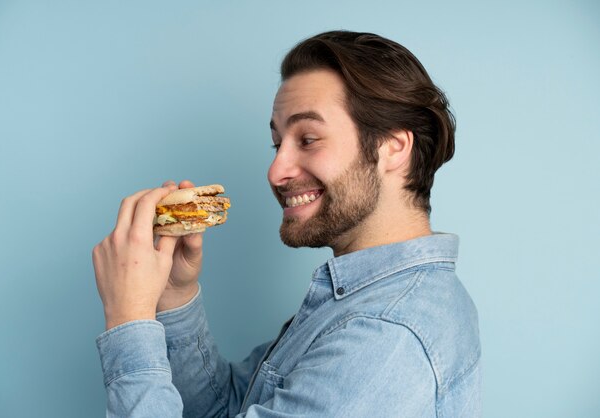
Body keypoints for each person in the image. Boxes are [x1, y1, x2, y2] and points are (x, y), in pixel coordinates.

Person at [93, 30, 481, 417]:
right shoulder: (364, 301)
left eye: (308, 138)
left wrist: (129, 321)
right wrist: (176, 296)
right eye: (277, 144)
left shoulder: (385, 336)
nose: (276, 171)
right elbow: (228, 410)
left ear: (393, 148)